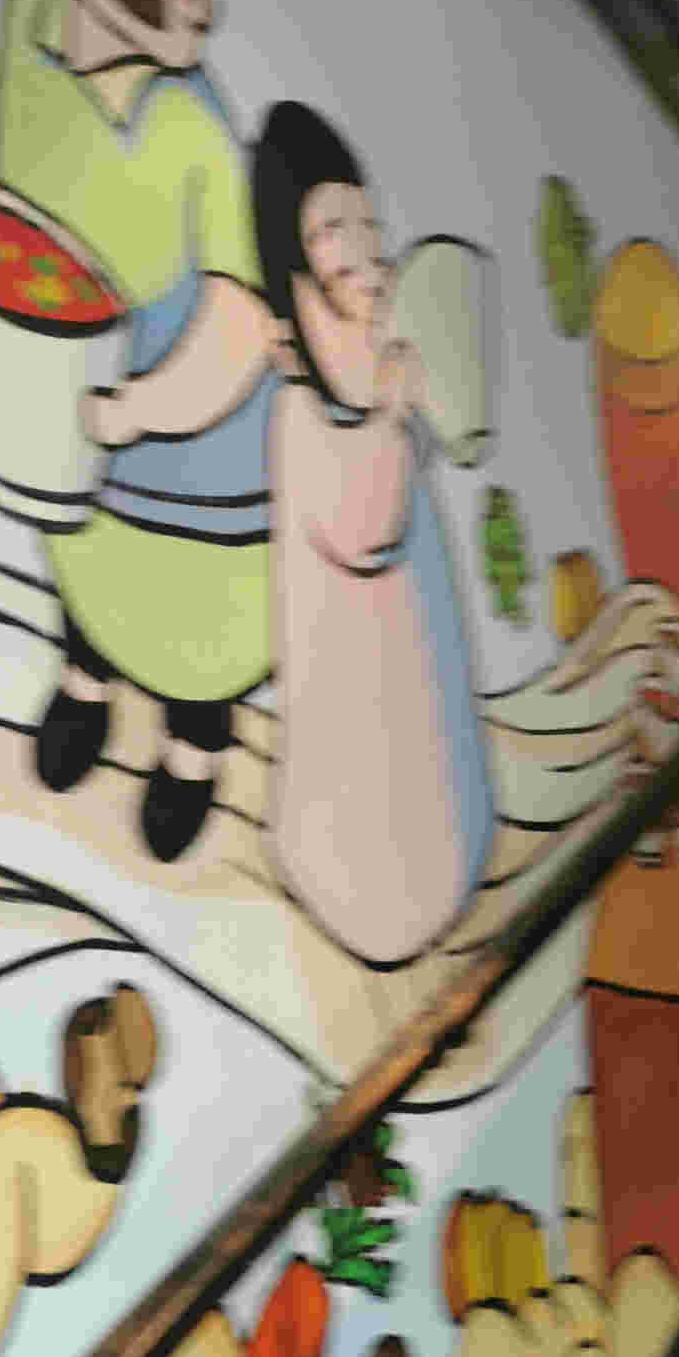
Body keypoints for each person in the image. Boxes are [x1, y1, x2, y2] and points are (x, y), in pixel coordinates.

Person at [0, 0, 276, 861]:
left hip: (198, 449)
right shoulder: (38, 47)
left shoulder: (192, 125)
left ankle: (195, 746)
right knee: (90, 563)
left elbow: (241, 319)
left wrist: (142, 409)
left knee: (195, 615)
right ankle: (87, 680)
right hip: (83, 412)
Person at [251, 101, 493, 965]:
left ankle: (445, 862)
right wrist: (392, 417)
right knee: (371, 787)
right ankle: (384, 893)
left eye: (369, 231)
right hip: (358, 678)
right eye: (331, 236)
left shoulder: (367, 376)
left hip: (411, 658)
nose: (363, 258)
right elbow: (362, 530)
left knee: (427, 754)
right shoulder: (301, 414)